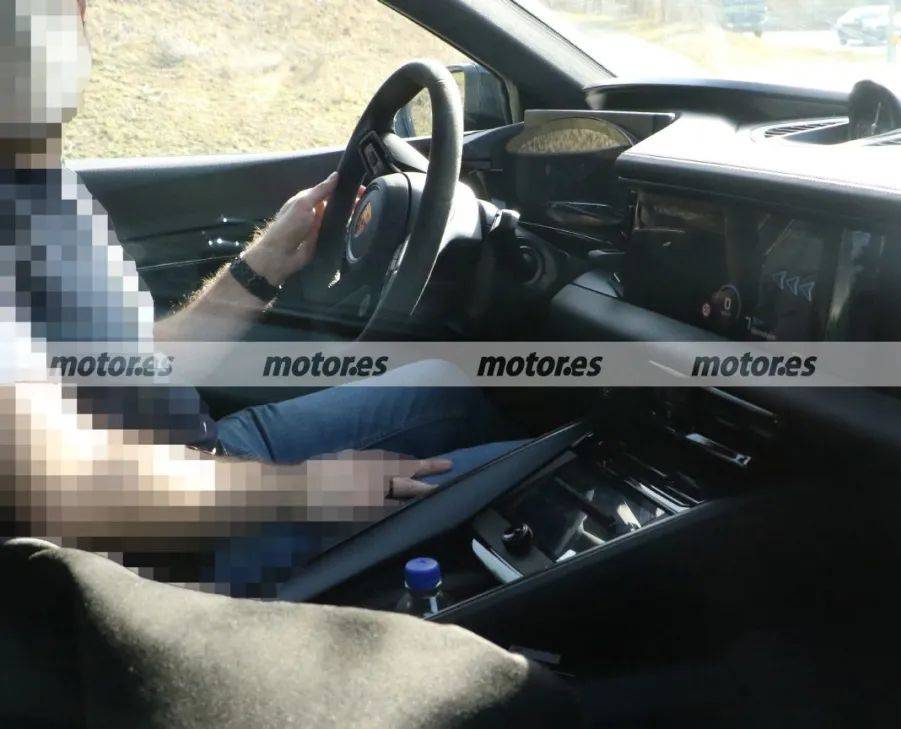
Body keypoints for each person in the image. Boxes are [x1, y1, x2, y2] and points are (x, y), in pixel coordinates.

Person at [1, 0, 524, 587]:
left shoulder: (34, 177)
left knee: (447, 385)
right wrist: (309, 489)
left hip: (191, 462)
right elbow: (71, 492)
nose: (76, 19)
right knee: (527, 484)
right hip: (149, 556)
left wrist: (263, 265)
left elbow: (129, 363)